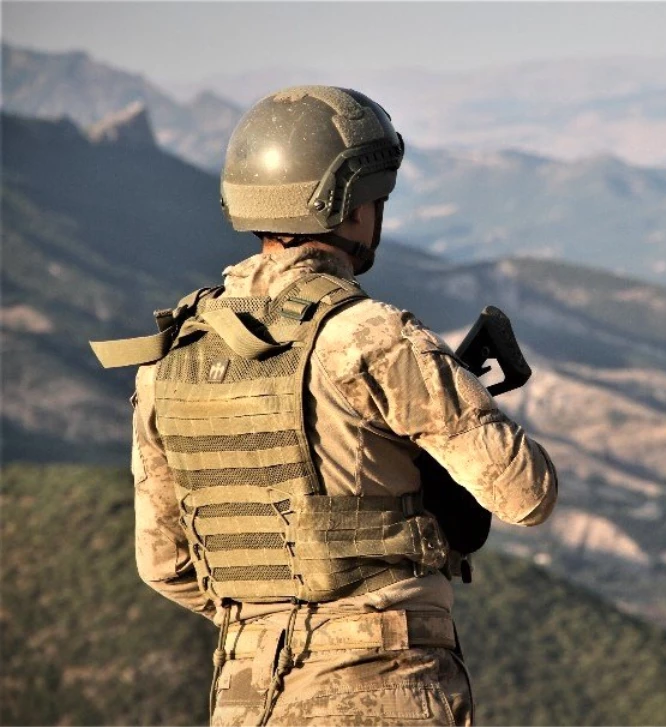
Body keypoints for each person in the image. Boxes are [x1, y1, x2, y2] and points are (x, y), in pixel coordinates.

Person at [90, 86, 558, 726]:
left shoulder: (170, 356)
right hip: (384, 687)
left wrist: (276, 613)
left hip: (247, 698)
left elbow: (165, 566)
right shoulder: (371, 336)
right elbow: (526, 493)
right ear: (350, 204)